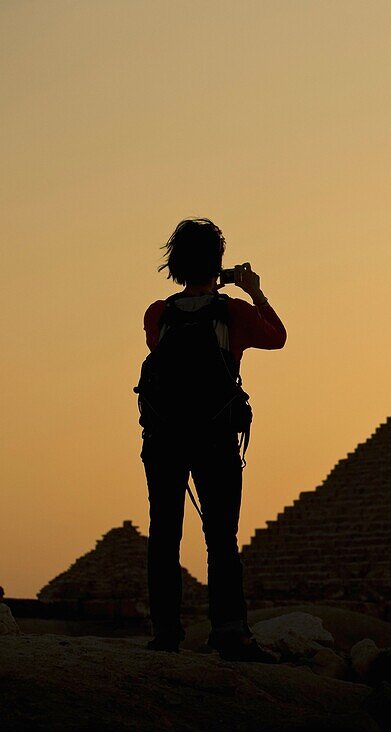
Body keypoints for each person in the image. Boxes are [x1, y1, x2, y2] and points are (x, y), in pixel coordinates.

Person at [139, 218, 286, 661]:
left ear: (174, 264)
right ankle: (230, 632)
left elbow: (157, 353)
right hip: (214, 437)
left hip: (164, 439)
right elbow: (277, 338)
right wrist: (252, 290)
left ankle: (166, 632)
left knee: (163, 534)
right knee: (221, 536)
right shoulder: (233, 313)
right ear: (218, 262)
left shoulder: (158, 314)